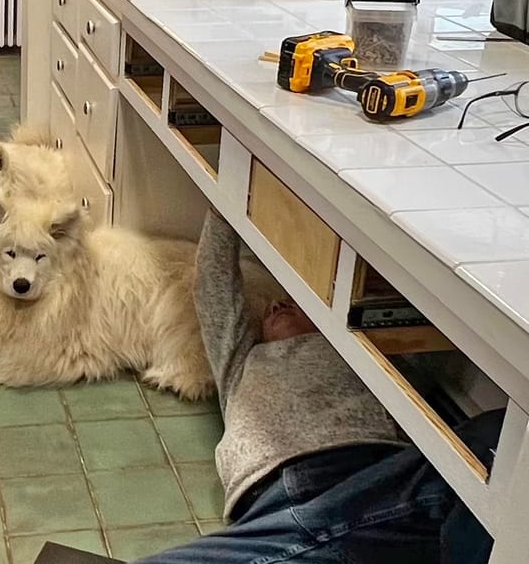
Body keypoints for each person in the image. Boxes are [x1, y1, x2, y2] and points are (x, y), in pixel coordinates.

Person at [133, 212, 500, 563]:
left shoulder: (368, 359)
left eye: (294, 302)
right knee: (482, 459)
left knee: (495, 441)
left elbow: (423, 336)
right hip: (288, 489)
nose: (277, 304)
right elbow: (214, 286)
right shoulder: (243, 362)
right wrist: (224, 201)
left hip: (376, 475)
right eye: (279, 302)